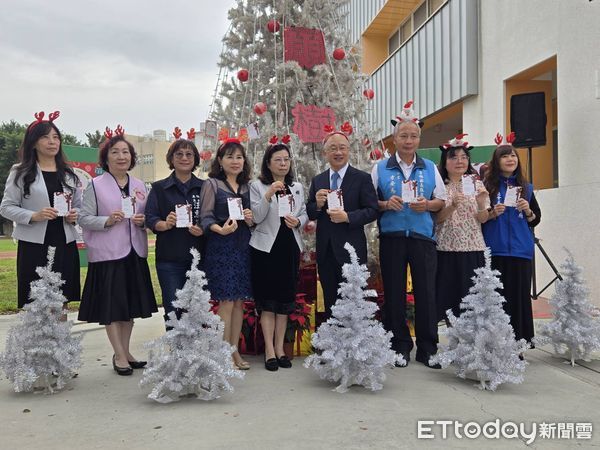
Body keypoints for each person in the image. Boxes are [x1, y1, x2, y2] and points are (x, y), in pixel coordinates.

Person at [371, 101, 446, 369]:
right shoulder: (380, 168)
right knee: (394, 293)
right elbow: (370, 203)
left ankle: (428, 348)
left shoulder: (430, 168)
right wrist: (383, 204)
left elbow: (441, 201)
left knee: (427, 292)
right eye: (403, 135)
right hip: (392, 237)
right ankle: (399, 346)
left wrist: (427, 205)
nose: (408, 140)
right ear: (394, 138)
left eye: (413, 136)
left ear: (419, 139)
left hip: (422, 237)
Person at [78, 127, 157, 376]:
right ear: (106, 157)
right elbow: (83, 218)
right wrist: (106, 221)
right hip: (108, 254)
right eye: (115, 152)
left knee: (129, 305)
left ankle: (125, 350)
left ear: (131, 157)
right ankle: (120, 355)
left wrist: (143, 221)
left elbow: (148, 217)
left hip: (135, 252)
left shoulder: (139, 185)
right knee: (113, 307)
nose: (121, 156)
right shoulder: (95, 184)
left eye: (126, 152)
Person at [0, 111, 80, 309]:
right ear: (33, 142)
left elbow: (79, 207)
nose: (52, 142)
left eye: (55, 137)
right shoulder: (20, 172)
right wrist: (33, 215)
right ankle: (39, 341)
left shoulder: (70, 175)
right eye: (45, 137)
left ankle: (61, 340)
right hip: (34, 245)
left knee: (62, 300)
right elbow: (6, 207)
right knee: (36, 302)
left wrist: (75, 215)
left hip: (65, 243)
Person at [306, 126, 378, 322]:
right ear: (325, 153)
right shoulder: (318, 180)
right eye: (333, 148)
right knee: (331, 298)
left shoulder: (362, 178)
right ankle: (333, 345)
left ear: (349, 150)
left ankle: (354, 345)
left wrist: (348, 217)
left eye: (342, 148)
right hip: (326, 249)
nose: (338, 152)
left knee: (353, 299)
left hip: (352, 249)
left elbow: (372, 210)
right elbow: (310, 211)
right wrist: (318, 205)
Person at [249, 136, 308, 371]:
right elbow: (256, 217)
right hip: (265, 250)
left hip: (289, 247)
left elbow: (304, 213)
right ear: (268, 163)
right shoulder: (258, 185)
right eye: (278, 160)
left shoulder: (297, 187)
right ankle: (269, 351)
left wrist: (299, 221)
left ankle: (281, 348)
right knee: (268, 303)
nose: (283, 164)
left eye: (286, 159)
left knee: (284, 302)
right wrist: (268, 194)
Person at [482, 132, 541, 354]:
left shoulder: (526, 188)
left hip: (520, 250)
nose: (510, 159)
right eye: (505, 156)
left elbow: (536, 218)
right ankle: (495, 345)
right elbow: (478, 217)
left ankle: (519, 345)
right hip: (494, 250)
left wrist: (527, 210)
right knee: (497, 298)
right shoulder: (487, 187)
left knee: (519, 298)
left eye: (513, 156)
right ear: (497, 162)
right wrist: (491, 213)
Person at [200, 138, 254, 370]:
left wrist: (251, 219)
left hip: (243, 247)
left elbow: (252, 219)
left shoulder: (246, 187)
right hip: (221, 247)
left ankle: (234, 351)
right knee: (226, 302)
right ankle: (222, 354)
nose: (235, 161)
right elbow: (205, 217)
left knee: (239, 302)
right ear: (220, 161)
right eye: (230, 156)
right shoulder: (212, 184)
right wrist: (220, 229)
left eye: (239, 157)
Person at [145, 128, 204, 329]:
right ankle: (176, 357)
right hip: (169, 260)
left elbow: (212, 217)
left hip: (199, 260)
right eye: (179, 154)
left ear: (195, 159)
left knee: (198, 310)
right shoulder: (160, 188)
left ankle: (197, 355)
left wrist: (203, 228)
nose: (184, 158)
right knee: (173, 310)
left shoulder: (205, 187)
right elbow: (150, 218)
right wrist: (165, 223)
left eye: (189, 154)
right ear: (171, 158)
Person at [435, 134, 489, 323]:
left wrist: (482, 204)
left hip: (473, 247)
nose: (460, 161)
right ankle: (454, 342)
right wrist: (452, 207)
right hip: (447, 248)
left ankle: (472, 343)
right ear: (445, 161)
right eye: (454, 157)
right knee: (450, 301)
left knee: (472, 300)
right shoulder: (439, 185)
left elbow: (483, 219)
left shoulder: (476, 183)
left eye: (464, 157)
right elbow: (436, 219)